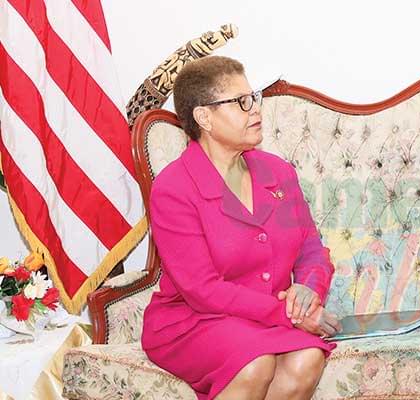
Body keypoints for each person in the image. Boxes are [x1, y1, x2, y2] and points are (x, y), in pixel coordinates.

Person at [141, 55, 341, 400]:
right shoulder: (174, 188)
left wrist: (308, 291)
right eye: (241, 102)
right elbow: (203, 290)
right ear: (204, 117)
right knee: (253, 363)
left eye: (255, 98)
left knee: (308, 358)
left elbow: (310, 247)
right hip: (192, 321)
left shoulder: (277, 172)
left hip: (260, 320)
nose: (256, 110)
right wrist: (287, 315)